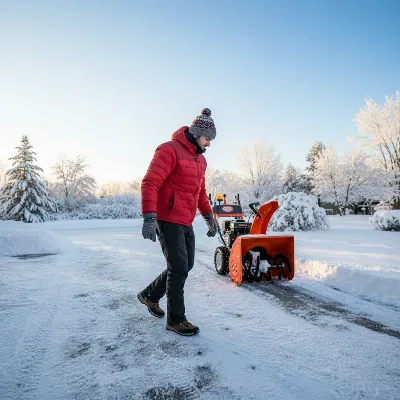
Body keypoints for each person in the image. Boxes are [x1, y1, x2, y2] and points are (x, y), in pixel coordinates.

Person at [137, 108, 218, 336]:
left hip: (185, 219)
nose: (209, 144)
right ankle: (176, 319)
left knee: (185, 265)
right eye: (207, 138)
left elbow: (200, 192)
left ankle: (150, 295)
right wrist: (149, 217)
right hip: (167, 218)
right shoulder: (169, 150)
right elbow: (150, 183)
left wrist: (208, 216)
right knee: (179, 268)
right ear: (196, 133)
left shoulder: (200, 160)